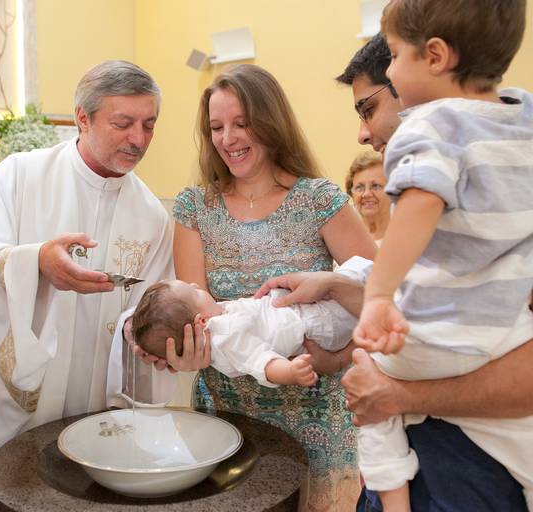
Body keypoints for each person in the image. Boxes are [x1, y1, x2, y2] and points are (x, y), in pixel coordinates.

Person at [0, 60, 174, 511]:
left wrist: (151, 333)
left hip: (99, 403)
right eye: (123, 123)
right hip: (21, 399)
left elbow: (151, 308)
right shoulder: (21, 176)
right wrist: (35, 263)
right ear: (82, 118)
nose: (139, 139)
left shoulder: (151, 216)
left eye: (149, 125)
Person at [332, 15, 533, 512]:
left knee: (367, 375)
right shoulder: (521, 116)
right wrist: (334, 285)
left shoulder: (433, 125)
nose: (362, 134)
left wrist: (379, 298)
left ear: (437, 56)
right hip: (501, 337)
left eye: (397, 57)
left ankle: (393, 499)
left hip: (462, 465)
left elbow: (421, 205)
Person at [171, 63, 377, 510]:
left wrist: (339, 358)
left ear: (270, 121)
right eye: (216, 127)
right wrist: (183, 352)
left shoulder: (319, 200)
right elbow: (192, 315)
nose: (228, 138)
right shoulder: (194, 208)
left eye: (241, 123)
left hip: (319, 416)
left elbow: (384, 301)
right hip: (228, 422)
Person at [132, 257, 371, 388]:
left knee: (358, 272)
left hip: (309, 311)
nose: (196, 285)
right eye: (194, 292)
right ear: (201, 321)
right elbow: (262, 363)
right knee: (363, 277)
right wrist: (290, 372)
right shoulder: (226, 338)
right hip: (319, 326)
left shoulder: (219, 317)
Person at [345, 152, 390, 244]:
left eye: (375, 186)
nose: (366, 194)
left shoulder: (406, 233)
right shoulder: (342, 233)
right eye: (359, 187)